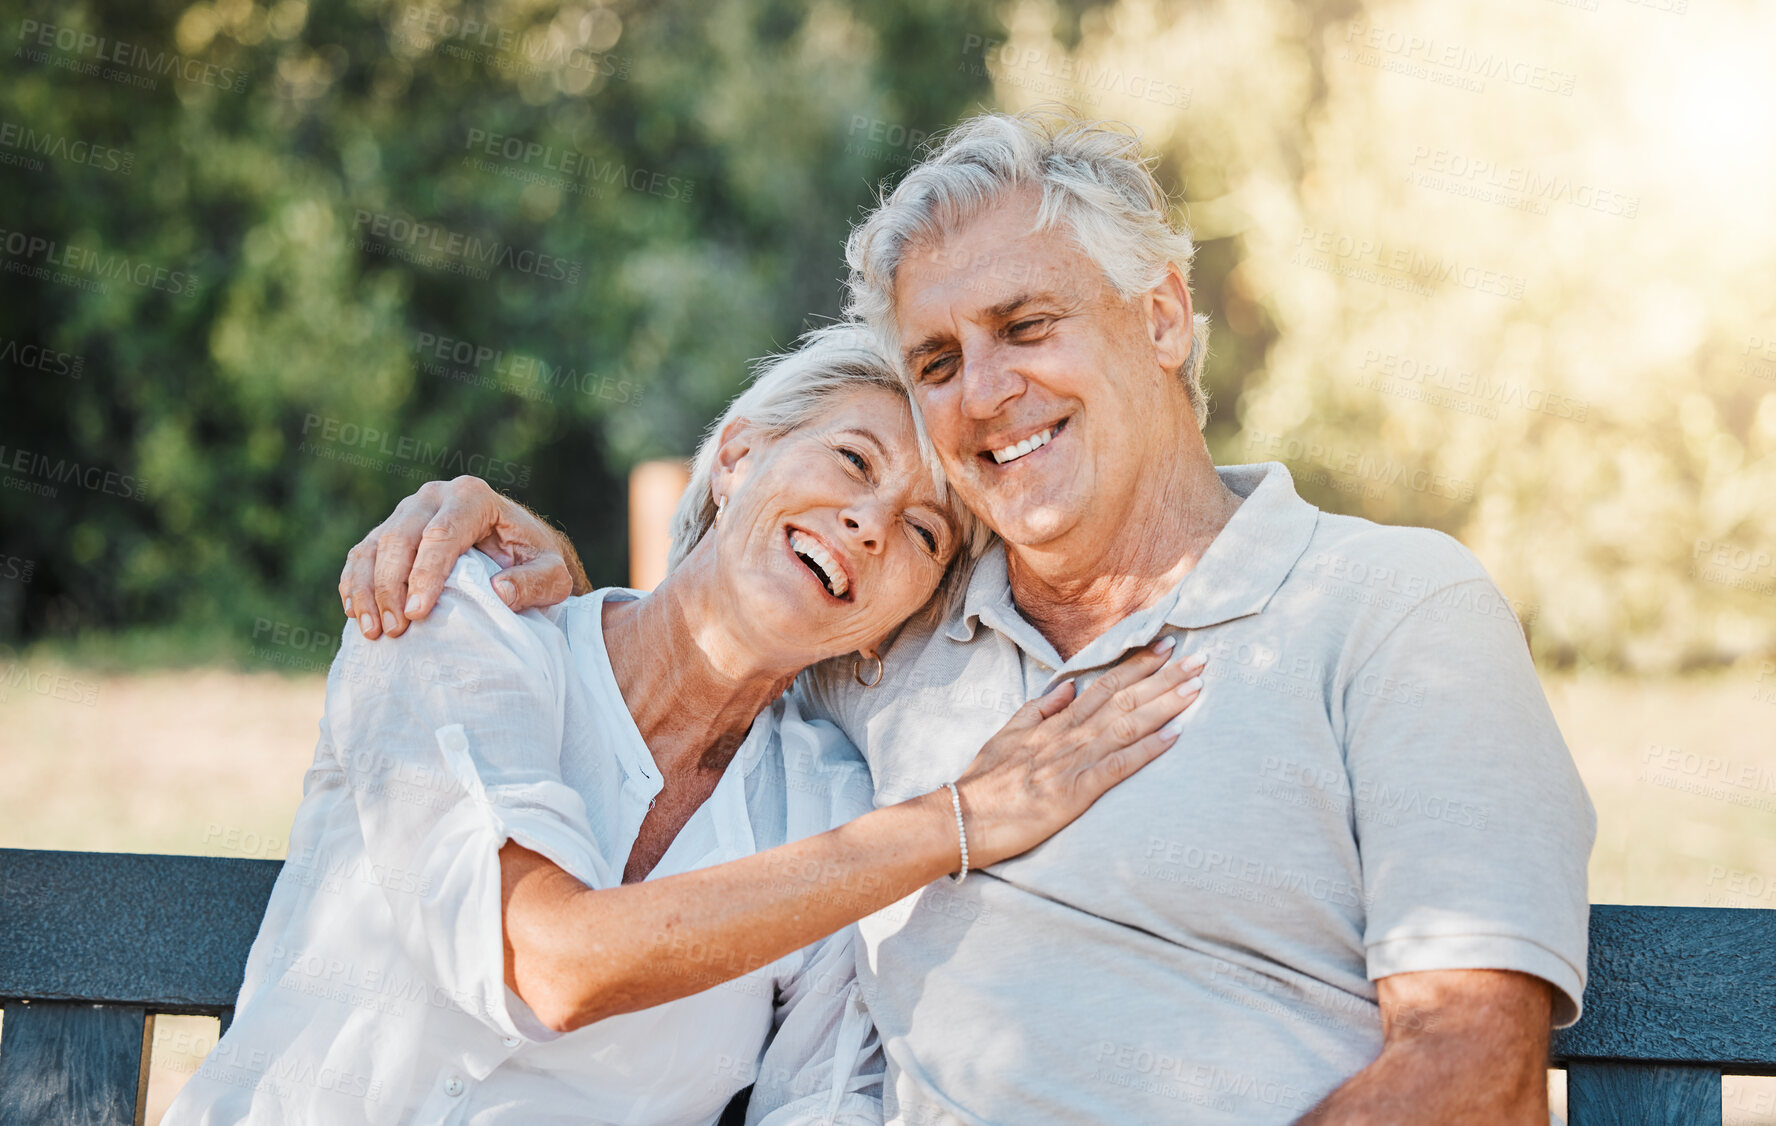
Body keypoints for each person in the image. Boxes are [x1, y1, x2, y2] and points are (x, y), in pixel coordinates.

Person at [343, 111, 1595, 1124]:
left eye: (1026, 325)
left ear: (1161, 317)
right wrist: (532, 565)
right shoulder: (892, 636)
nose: (987, 392)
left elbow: (1475, 1080)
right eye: (936, 361)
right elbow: (719, 624)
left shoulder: (1392, 611)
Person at [165, 324, 1206, 1126]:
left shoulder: (830, 809)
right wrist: (962, 820)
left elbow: (820, 1102)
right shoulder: (465, 610)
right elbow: (549, 963)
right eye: (851, 460)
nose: (870, 521)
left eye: (924, 532)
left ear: (899, 618)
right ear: (739, 456)